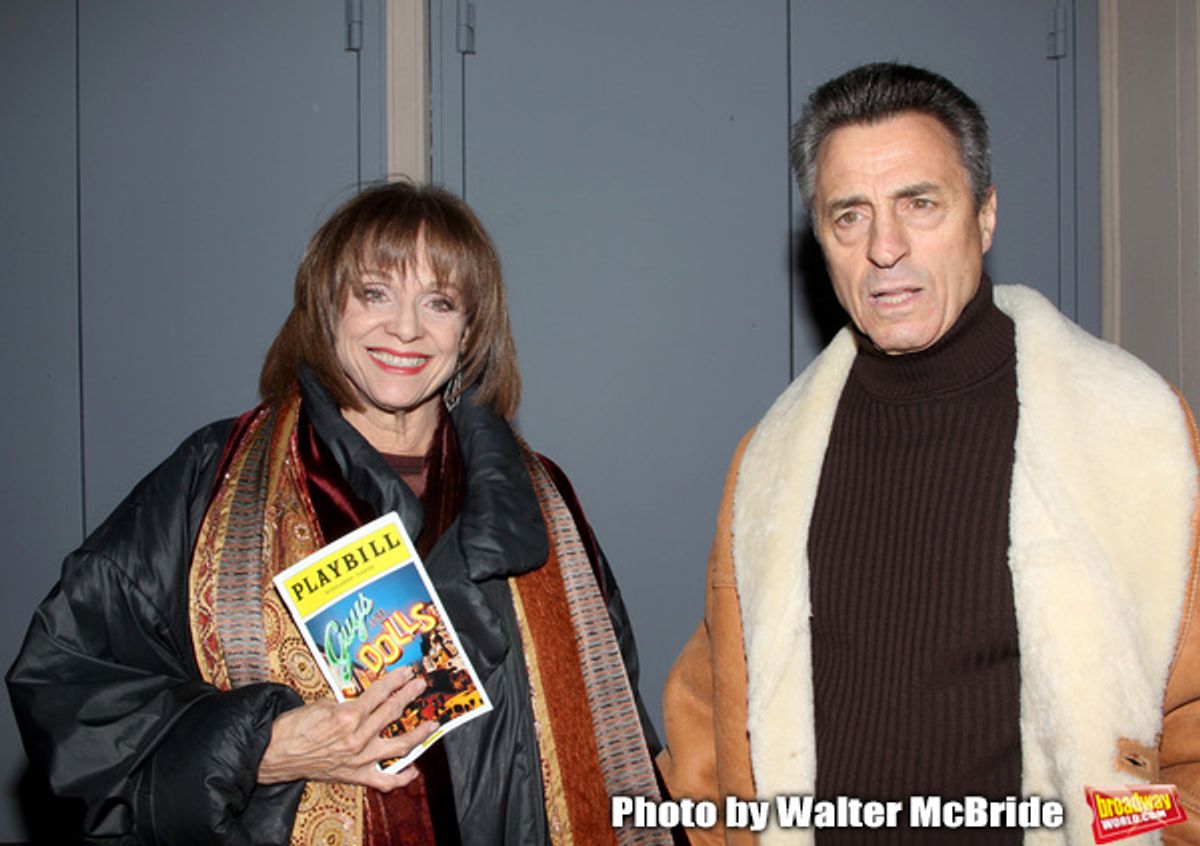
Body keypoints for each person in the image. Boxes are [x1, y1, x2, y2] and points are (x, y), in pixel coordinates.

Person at [8, 181, 671, 845]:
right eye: (375, 293)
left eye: (439, 302)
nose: (406, 328)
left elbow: (618, 726)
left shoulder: (541, 498)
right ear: (327, 308)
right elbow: (65, 680)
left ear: (470, 331)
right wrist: (257, 745)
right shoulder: (212, 476)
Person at [658, 62, 1200, 845]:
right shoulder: (770, 462)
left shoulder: (1135, 432)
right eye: (850, 216)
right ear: (823, 241)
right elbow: (710, 729)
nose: (885, 247)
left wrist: (1129, 831)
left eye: (920, 203)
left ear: (984, 216)